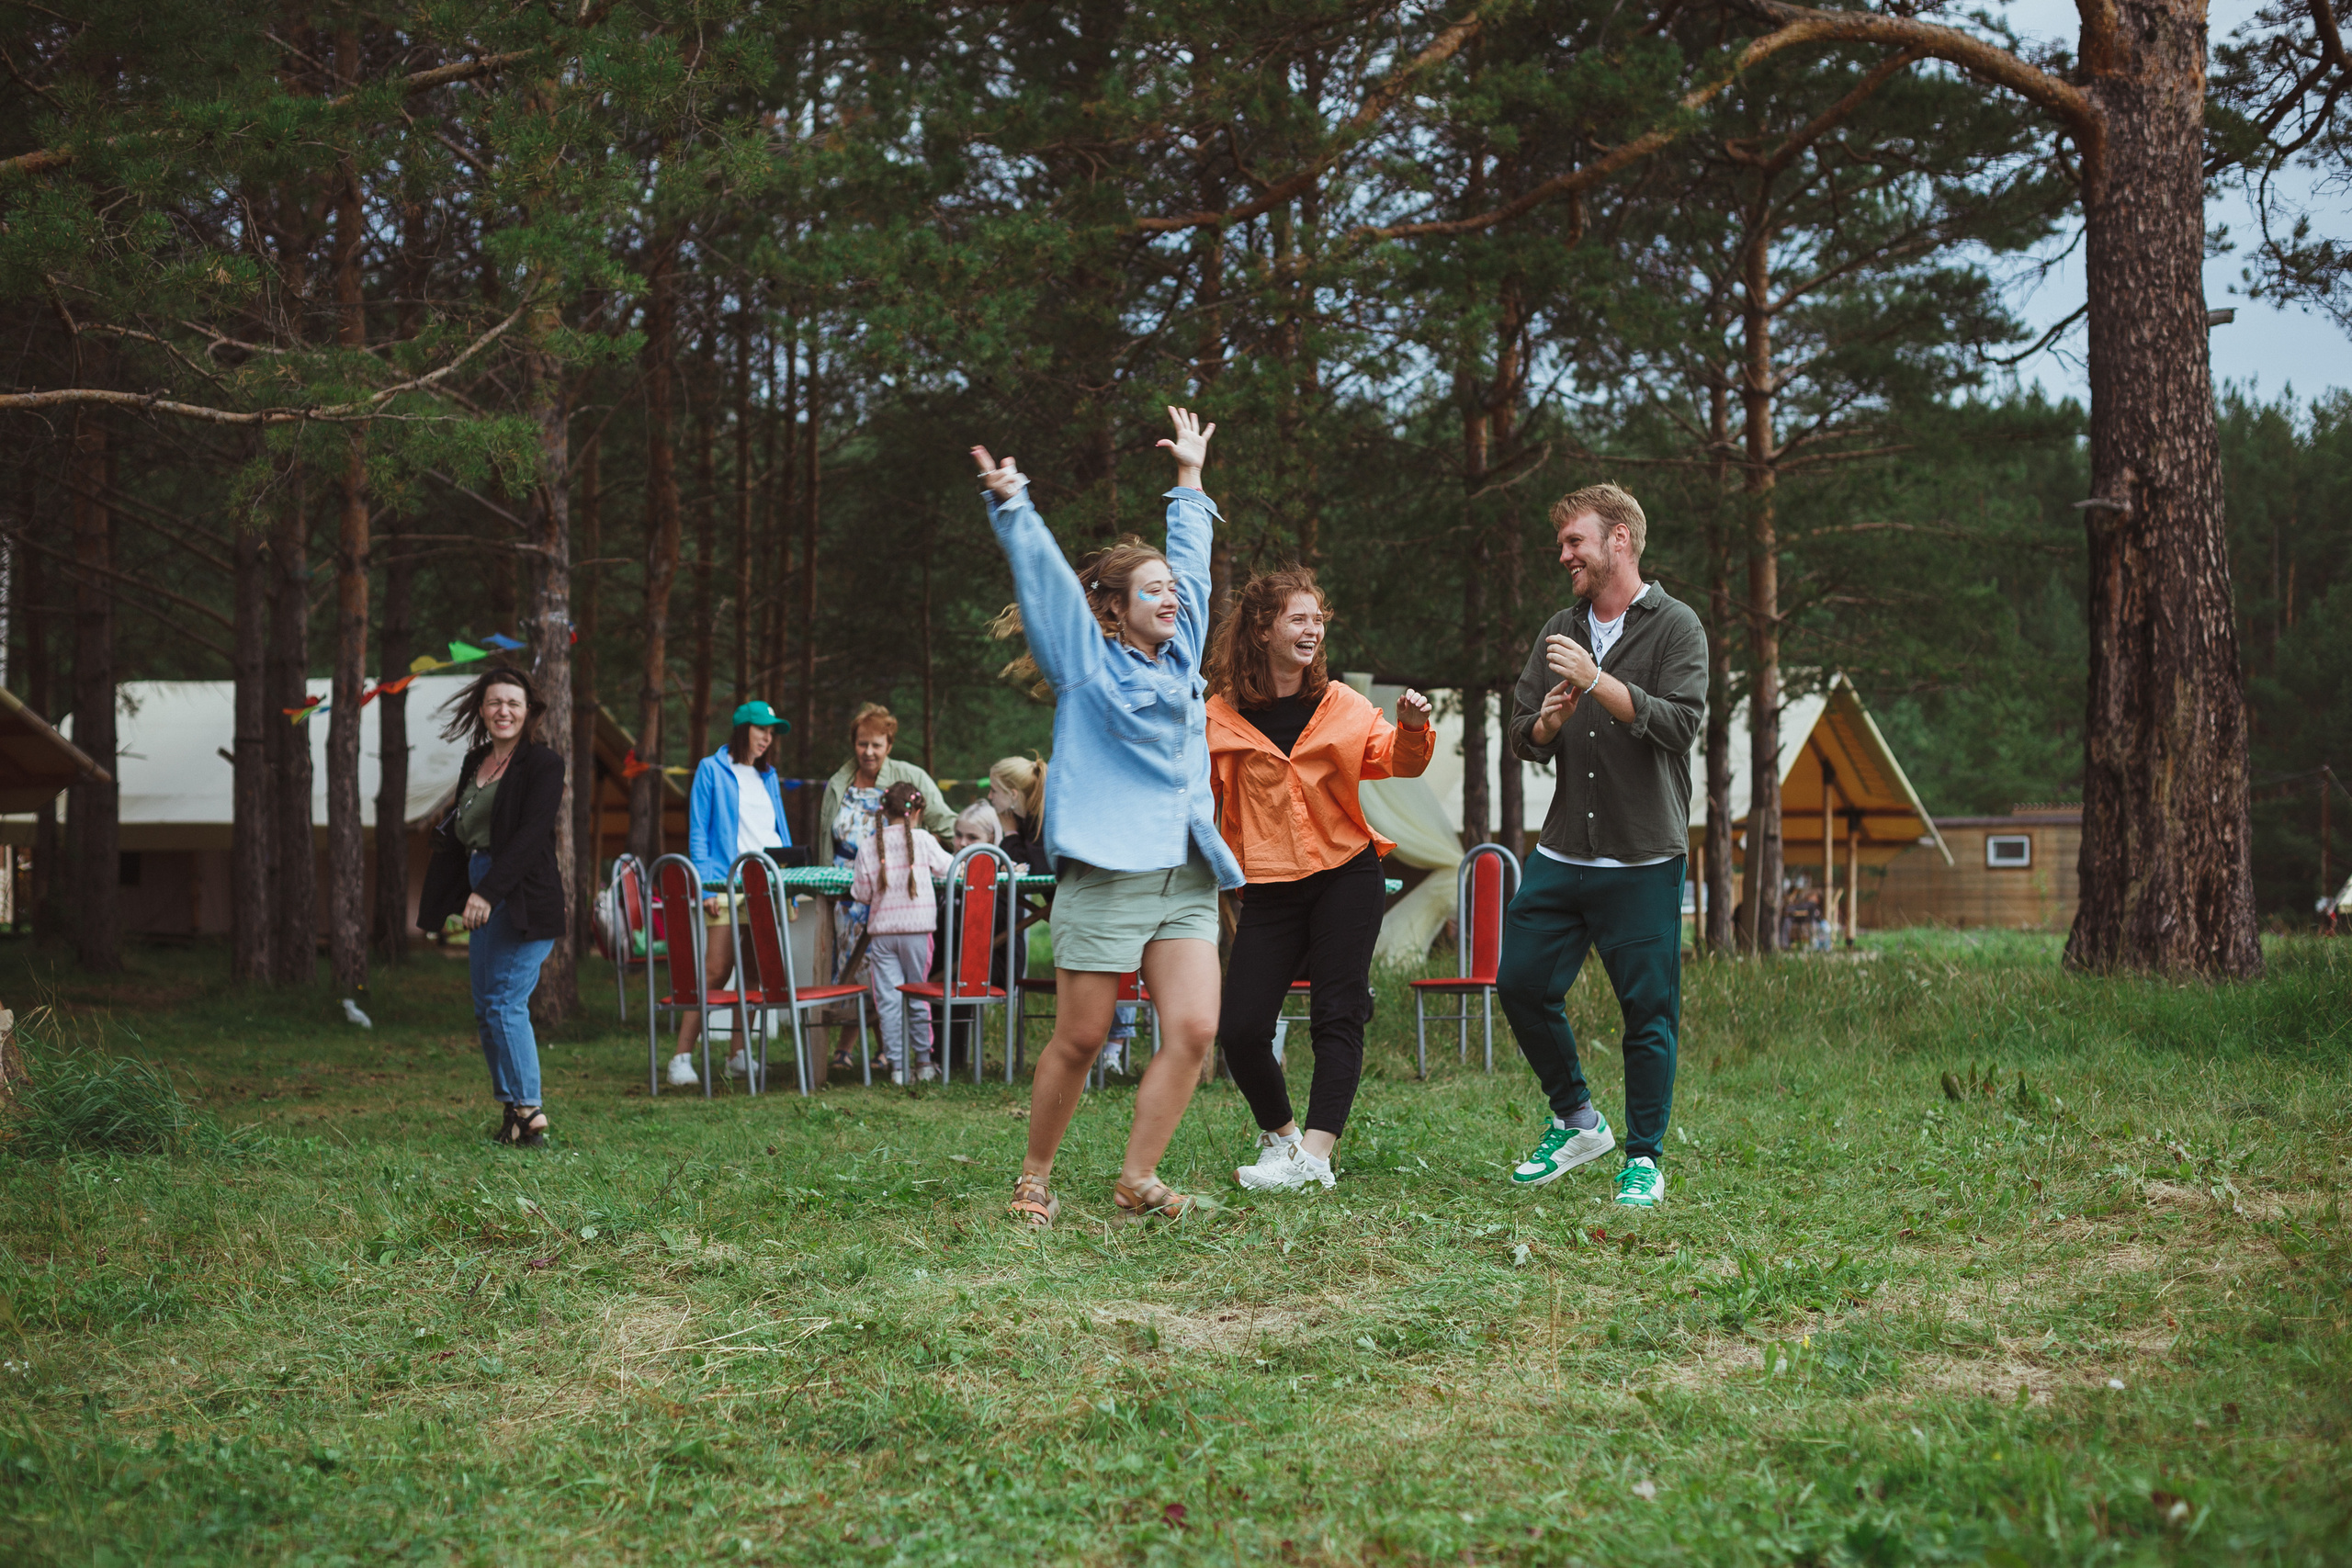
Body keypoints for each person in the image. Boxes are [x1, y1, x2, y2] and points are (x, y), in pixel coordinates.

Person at [973, 405, 1242, 1226]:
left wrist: (1189, 478)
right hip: (1108, 872)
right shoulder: (1087, 667)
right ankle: (1034, 1174)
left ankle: (1137, 1177)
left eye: (1170, 592)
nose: (1170, 599)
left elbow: (1190, 567)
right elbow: (1050, 591)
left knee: (1195, 1028)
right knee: (1084, 1035)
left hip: (1185, 871)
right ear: (1119, 609)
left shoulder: (1182, 649)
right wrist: (1014, 504)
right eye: (1150, 591)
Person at [1498, 483, 1707, 1210]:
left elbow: (1680, 724)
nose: (1565, 556)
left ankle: (1644, 1158)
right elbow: (1523, 730)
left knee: (1646, 1013)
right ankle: (1578, 1120)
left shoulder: (1677, 626)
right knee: (1520, 981)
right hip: (1563, 852)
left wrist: (1598, 681)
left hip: (1644, 854)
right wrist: (1550, 724)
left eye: (1574, 542)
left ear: (1619, 540)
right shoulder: (1560, 625)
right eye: (1563, 546)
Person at [1204, 568, 1433, 1192]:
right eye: (1298, 618)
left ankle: (1316, 1156)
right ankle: (1282, 1141)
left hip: (1346, 874)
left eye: (1317, 618)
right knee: (1242, 1026)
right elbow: (1202, 799)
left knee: (1339, 1010)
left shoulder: (1344, 706)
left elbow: (1396, 759)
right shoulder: (1220, 718)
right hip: (1270, 886)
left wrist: (1413, 726)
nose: (1313, 628)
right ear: (1262, 628)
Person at [417, 667, 568, 1148]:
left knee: (506, 1002)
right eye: (495, 703)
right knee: (486, 1008)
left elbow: (529, 838)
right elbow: (463, 833)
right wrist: (460, 893)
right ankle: (513, 1112)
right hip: (481, 884)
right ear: (481, 710)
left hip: (523, 891)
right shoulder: (476, 761)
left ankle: (531, 1110)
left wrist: (488, 892)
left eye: (514, 704)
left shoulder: (544, 765)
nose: (504, 711)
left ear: (529, 713)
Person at [815, 704, 956, 1073]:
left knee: (886, 981)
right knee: (854, 972)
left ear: (889, 744)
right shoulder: (838, 783)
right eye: (862, 744)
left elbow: (946, 822)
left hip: (893, 895)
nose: (869, 752)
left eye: (877, 744)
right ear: (853, 744)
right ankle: (876, 1051)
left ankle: (888, 1056)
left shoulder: (909, 778)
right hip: (848, 895)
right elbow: (826, 837)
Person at [665, 700, 792, 1089]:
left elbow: (780, 833)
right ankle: (681, 1058)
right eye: (761, 730)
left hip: (764, 885)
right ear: (742, 730)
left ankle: (739, 1055)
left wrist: (785, 888)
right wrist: (704, 884)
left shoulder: (768, 776)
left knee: (754, 970)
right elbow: (699, 832)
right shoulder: (711, 769)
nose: (767, 738)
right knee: (716, 969)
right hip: (723, 883)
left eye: (771, 733)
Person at [852, 781, 957, 1083]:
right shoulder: (923, 840)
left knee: (888, 999)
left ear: (882, 811)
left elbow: (860, 893)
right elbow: (952, 868)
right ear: (918, 811)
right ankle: (924, 1063)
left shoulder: (869, 844)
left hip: (883, 935)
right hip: (918, 931)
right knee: (918, 994)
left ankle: (897, 1067)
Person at [986, 754, 1050, 874]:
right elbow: (1019, 865)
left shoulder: (1043, 821)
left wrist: (1010, 833)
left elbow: (1036, 870)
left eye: (994, 790)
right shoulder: (1019, 818)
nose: (989, 796)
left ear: (1013, 795)